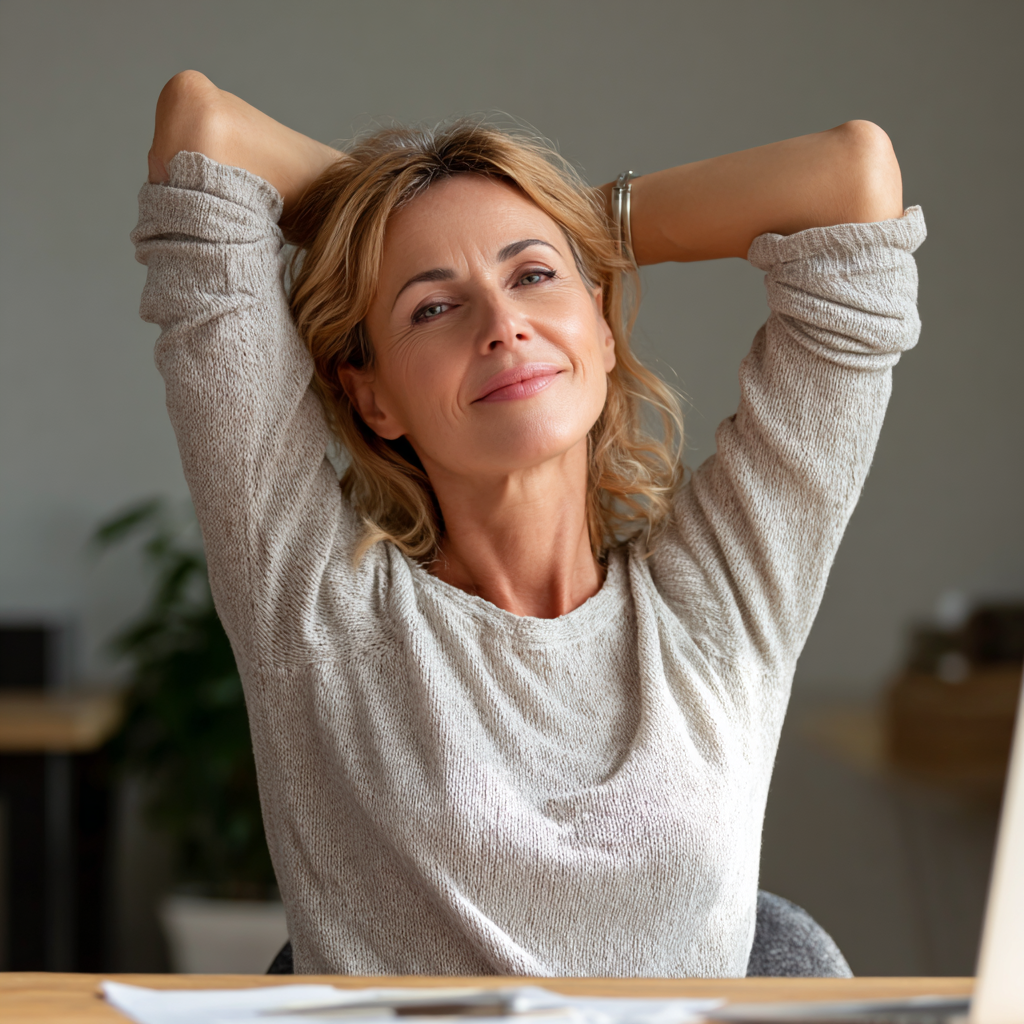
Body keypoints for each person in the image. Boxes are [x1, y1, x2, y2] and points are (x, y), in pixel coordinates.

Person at [133, 70, 925, 977]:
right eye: (432, 306)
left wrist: (570, 219)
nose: (503, 323)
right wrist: (402, 208)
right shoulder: (317, 604)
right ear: (373, 396)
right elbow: (202, 128)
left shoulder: (724, 594)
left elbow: (853, 182)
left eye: (535, 275)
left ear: (602, 325)